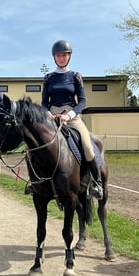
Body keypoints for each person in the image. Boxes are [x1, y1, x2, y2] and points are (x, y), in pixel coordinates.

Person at [41, 39, 103, 197]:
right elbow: (43, 103)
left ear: (69, 56)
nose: (61, 58)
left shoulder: (76, 76)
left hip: (72, 116)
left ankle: (96, 183)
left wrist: (68, 115)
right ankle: (36, 183)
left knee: (88, 147)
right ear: (54, 57)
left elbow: (82, 102)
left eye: (64, 55)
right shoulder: (48, 78)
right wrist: (50, 114)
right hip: (52, 116)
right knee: (35, 144)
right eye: (58, 55)